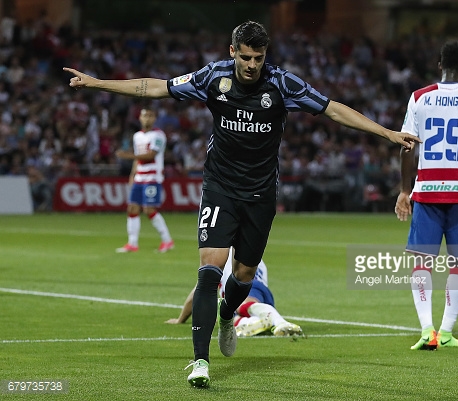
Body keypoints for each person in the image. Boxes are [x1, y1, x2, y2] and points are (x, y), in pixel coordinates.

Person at [64, 21, 420, 387]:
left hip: (261, 194)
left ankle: (227, 313)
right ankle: (200, 361)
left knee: (245, 275)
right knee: (209, 269)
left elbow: (332, 109)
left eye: (259, 58)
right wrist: (96, 82)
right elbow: (156, 87)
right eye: (246, 57)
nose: (252, 65)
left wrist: (387, 132)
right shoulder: (211, 77)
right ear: (232, 51)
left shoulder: (282, 83)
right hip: (219, 187)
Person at [395, 41, 458, 350]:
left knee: (422, 263)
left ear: (439, 65)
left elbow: (407, 146)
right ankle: (447, 331)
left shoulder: (419, 98)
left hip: (426, 190)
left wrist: (403, 189)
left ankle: (427, 330)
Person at [166, 247, 303, 339]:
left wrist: (180, 319)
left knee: (242, 305)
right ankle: (255, 321)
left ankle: (279, 322)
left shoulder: (219, 256)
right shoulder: (250, 250)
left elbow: (198, 291)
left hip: (248, 288)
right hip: (260, 296)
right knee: (226, 317)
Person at [114, 108, 174, 253]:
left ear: (154, 119)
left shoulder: (158, 136)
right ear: (140, 118)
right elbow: (139, 158)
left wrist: (127, 156)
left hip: (153, 177)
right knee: (132, 208)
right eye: (145, 115)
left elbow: (150, 155)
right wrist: (132, 175)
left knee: (149, 209)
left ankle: (167, 241)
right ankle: (132, 243)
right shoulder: (137, 136)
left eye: (150, 115)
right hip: (140, 177)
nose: (147, 118)